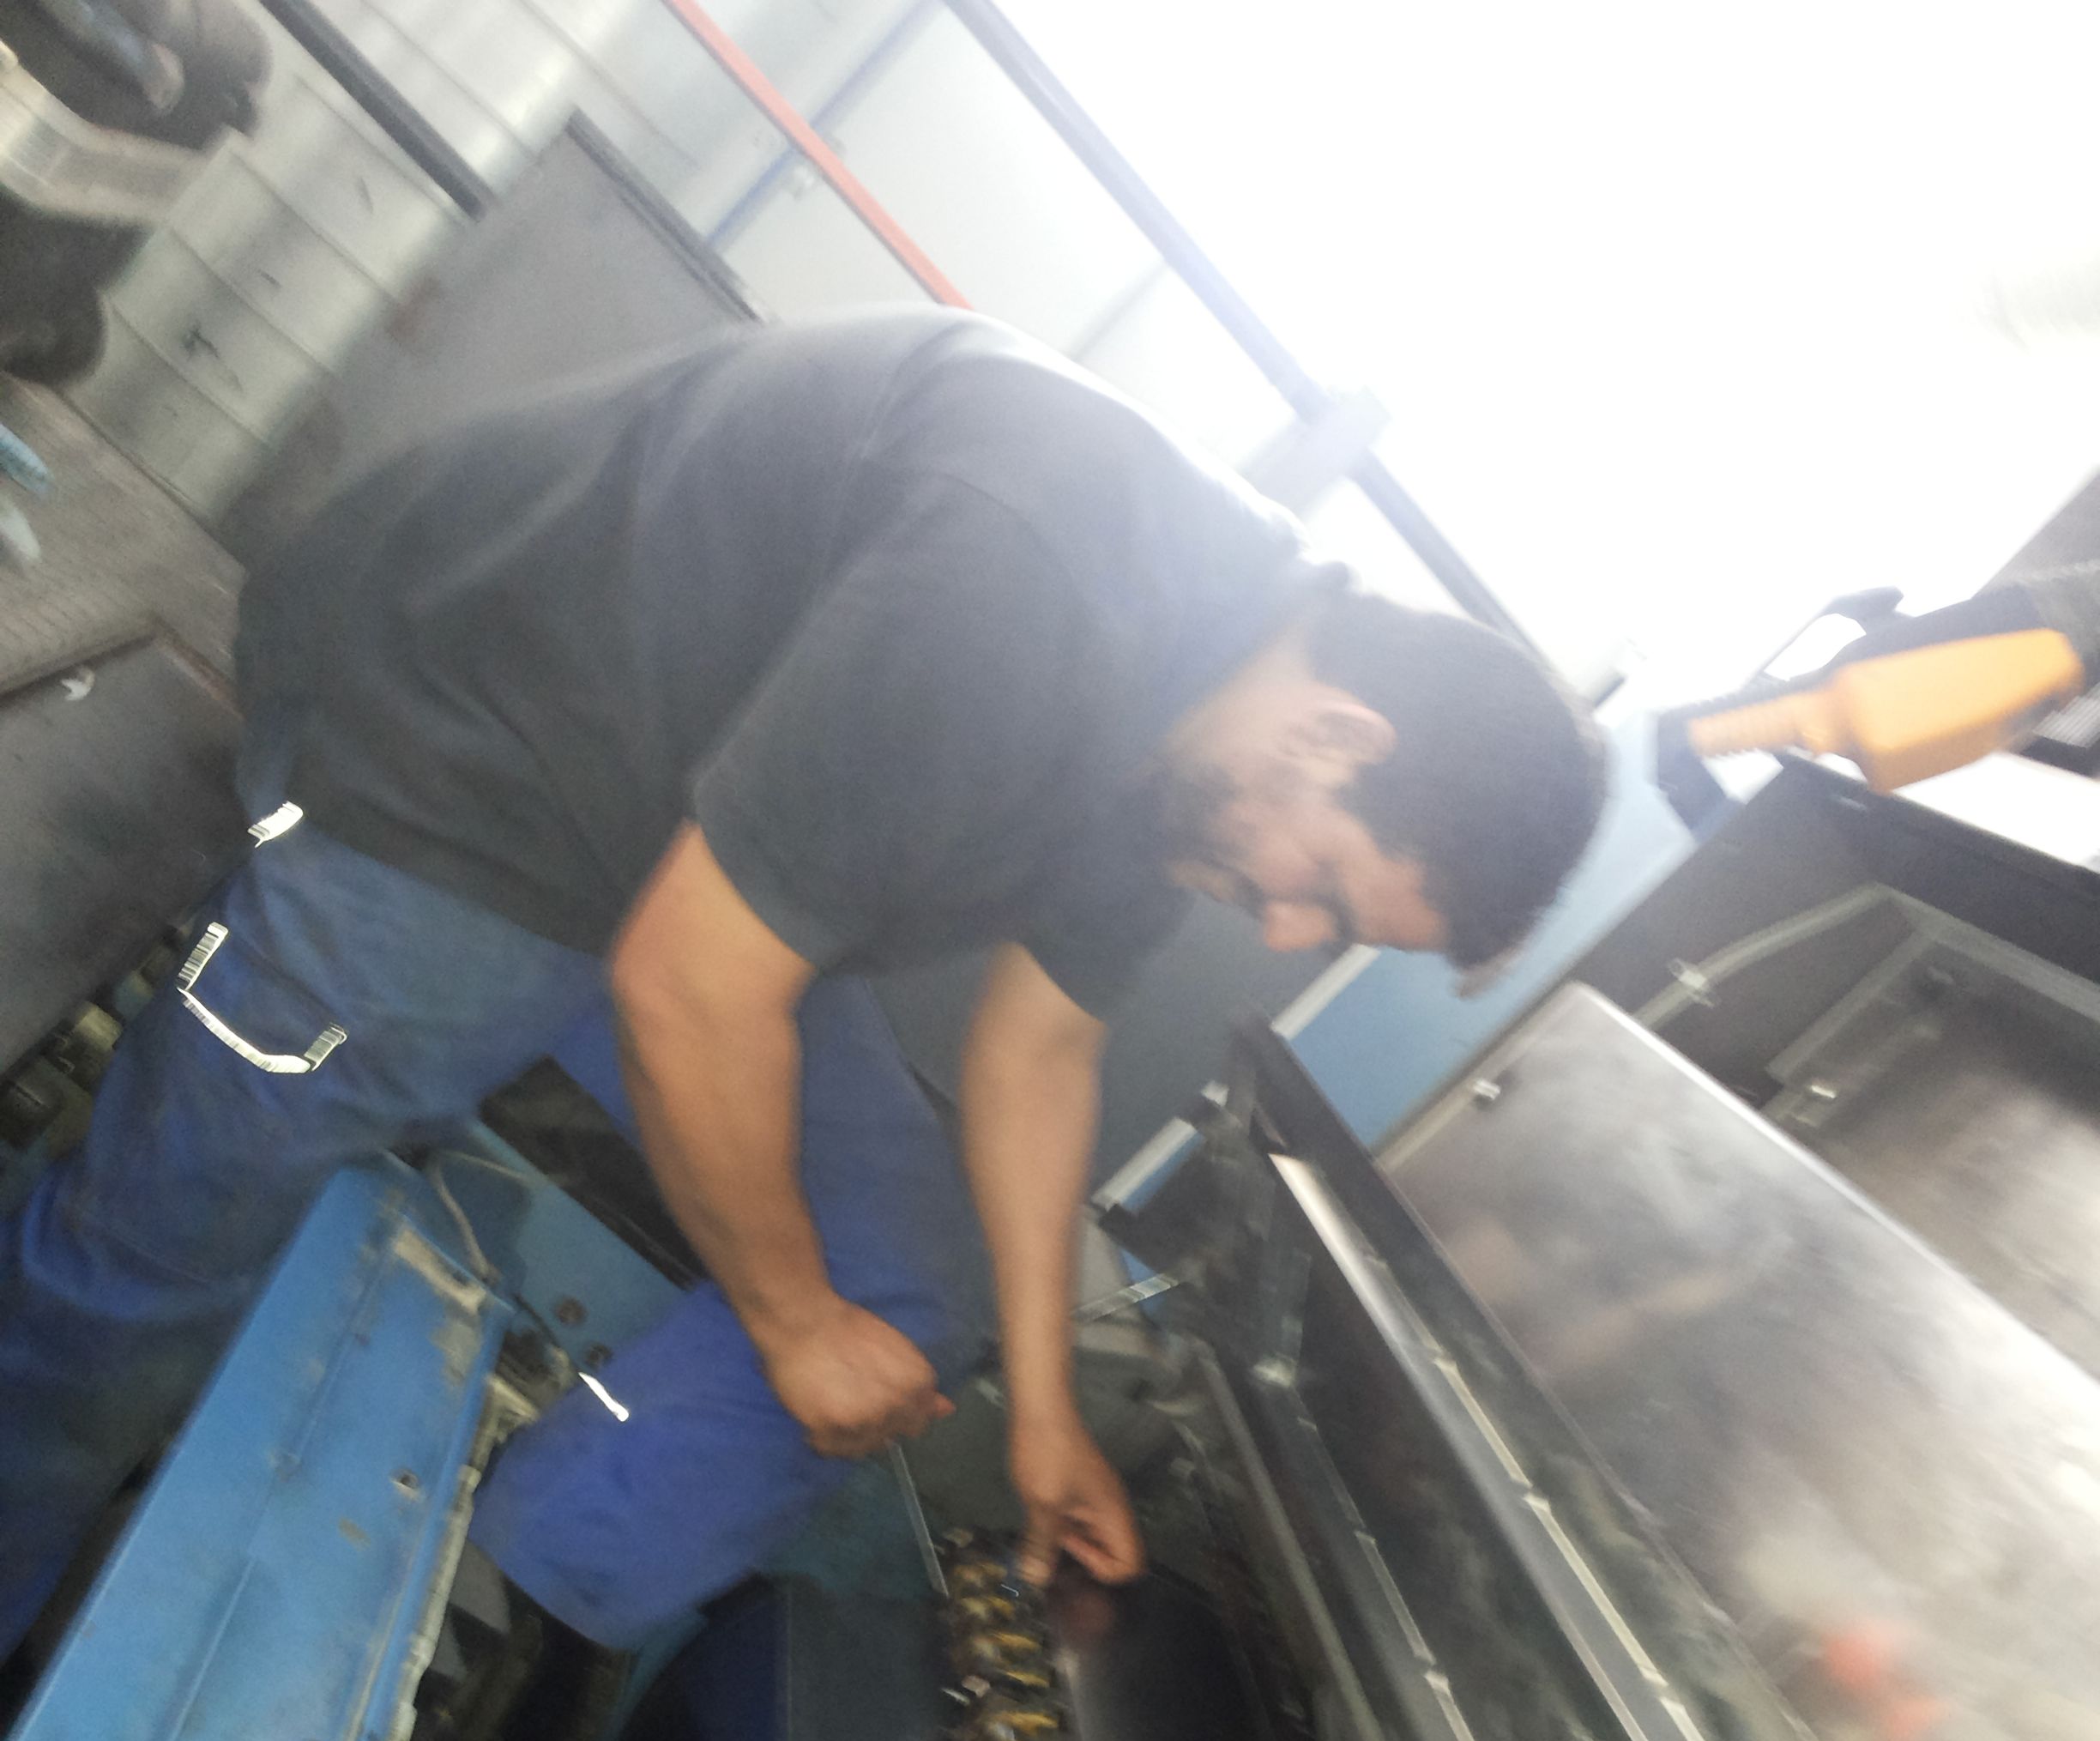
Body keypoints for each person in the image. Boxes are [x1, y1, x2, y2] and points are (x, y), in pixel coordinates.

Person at [0, 308, 1603, 1659]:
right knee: (142, 1285)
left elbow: (1041, 1050)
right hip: (461, 759)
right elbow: (690, 990)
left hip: (686, 864)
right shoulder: (1041, 582)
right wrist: (791, 1321)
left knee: (911, 1284)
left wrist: (1044, 1414)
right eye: (1326, 890)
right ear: (1337, 736)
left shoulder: (1198, 753)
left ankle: (448, 1632)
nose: (1287, 930)